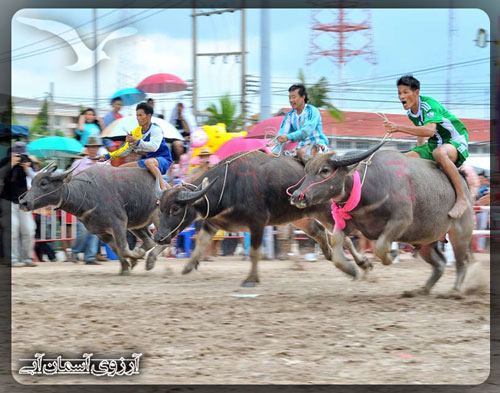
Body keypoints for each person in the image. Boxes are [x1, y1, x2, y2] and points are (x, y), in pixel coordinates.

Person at [383, 75, 470, 219]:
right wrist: (418, 156)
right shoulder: (411, 112)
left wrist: (397, 127)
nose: (401, 96)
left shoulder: (428, 105)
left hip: (455, 140)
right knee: (401, 160)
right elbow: (421, 131)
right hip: (434, 143)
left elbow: (429, 131)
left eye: (405, 92)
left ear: (416, 93)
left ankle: (462, 198)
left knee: (439, 154)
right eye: (399, 93)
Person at [98, 102, 173, 191]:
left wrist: (137, 142)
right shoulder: (136, 132)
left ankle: (164, 190)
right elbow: (124, 151)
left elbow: (154, 147)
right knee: (119, 169)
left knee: (149, 162)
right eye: (137, 115)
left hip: (163, 160)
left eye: (141, 115)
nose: (138, 118)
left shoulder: (156, 129)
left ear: (148, 116)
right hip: (147, 161)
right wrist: (107, 156)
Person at [69, 137, 106, 265]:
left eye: (95, 147)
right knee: (83, 229)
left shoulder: (103, 164)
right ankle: (75, 251)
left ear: (98, 148)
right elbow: (72, 181)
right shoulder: (79, 163)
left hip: (99, 199)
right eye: (91, 147)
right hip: (82, 200)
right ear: (87, 148)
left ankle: (90, 256)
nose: (93, 149)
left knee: (95, 229)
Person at [0, 142, 37, 267]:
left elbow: (35, 178)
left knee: (29, 229)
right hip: (8, 200)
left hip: (23, 201)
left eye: (23, 155)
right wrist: (11, 164)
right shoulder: (6, 161)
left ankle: (27, 258)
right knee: (12, 230)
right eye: (18, 155)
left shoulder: (27, 162)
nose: (21, 157)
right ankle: (12, 259)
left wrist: (27, 168)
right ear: (12, 153)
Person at [275, 84, 330, 158]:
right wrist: (274, 152)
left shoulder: (312, 111)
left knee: (302, 153)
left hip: (317, 144)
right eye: (289, 98)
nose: (291, 100)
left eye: (294, 97)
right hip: (299, 148)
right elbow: (282, 134)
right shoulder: (289, 116)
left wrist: (287, 137)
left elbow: (306, 131)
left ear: (303, 97)